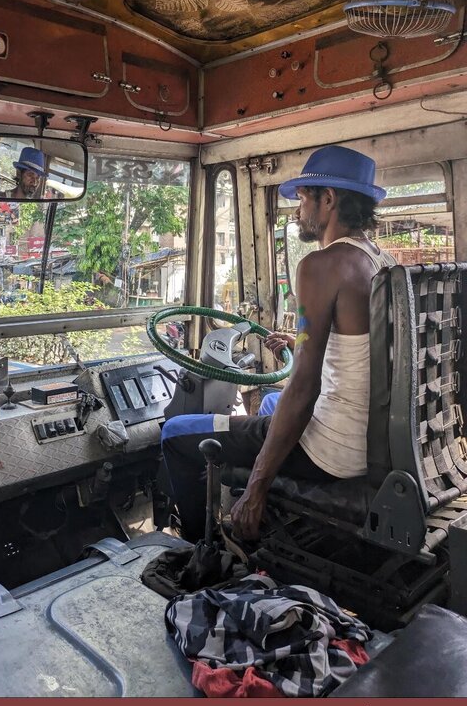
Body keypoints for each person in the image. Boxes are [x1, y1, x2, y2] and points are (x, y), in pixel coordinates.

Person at [161, 144, 396, 543]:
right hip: (370, 440)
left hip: (334, 450)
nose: (297, 209)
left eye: (303, 198)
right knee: (270, 401)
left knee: (177, 432)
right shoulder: (381, 260)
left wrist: (256, 486)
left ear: (329, 199)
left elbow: (304, 388)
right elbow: (351, 346)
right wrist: (298, 342)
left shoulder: (322, 265)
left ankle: (202, 548)